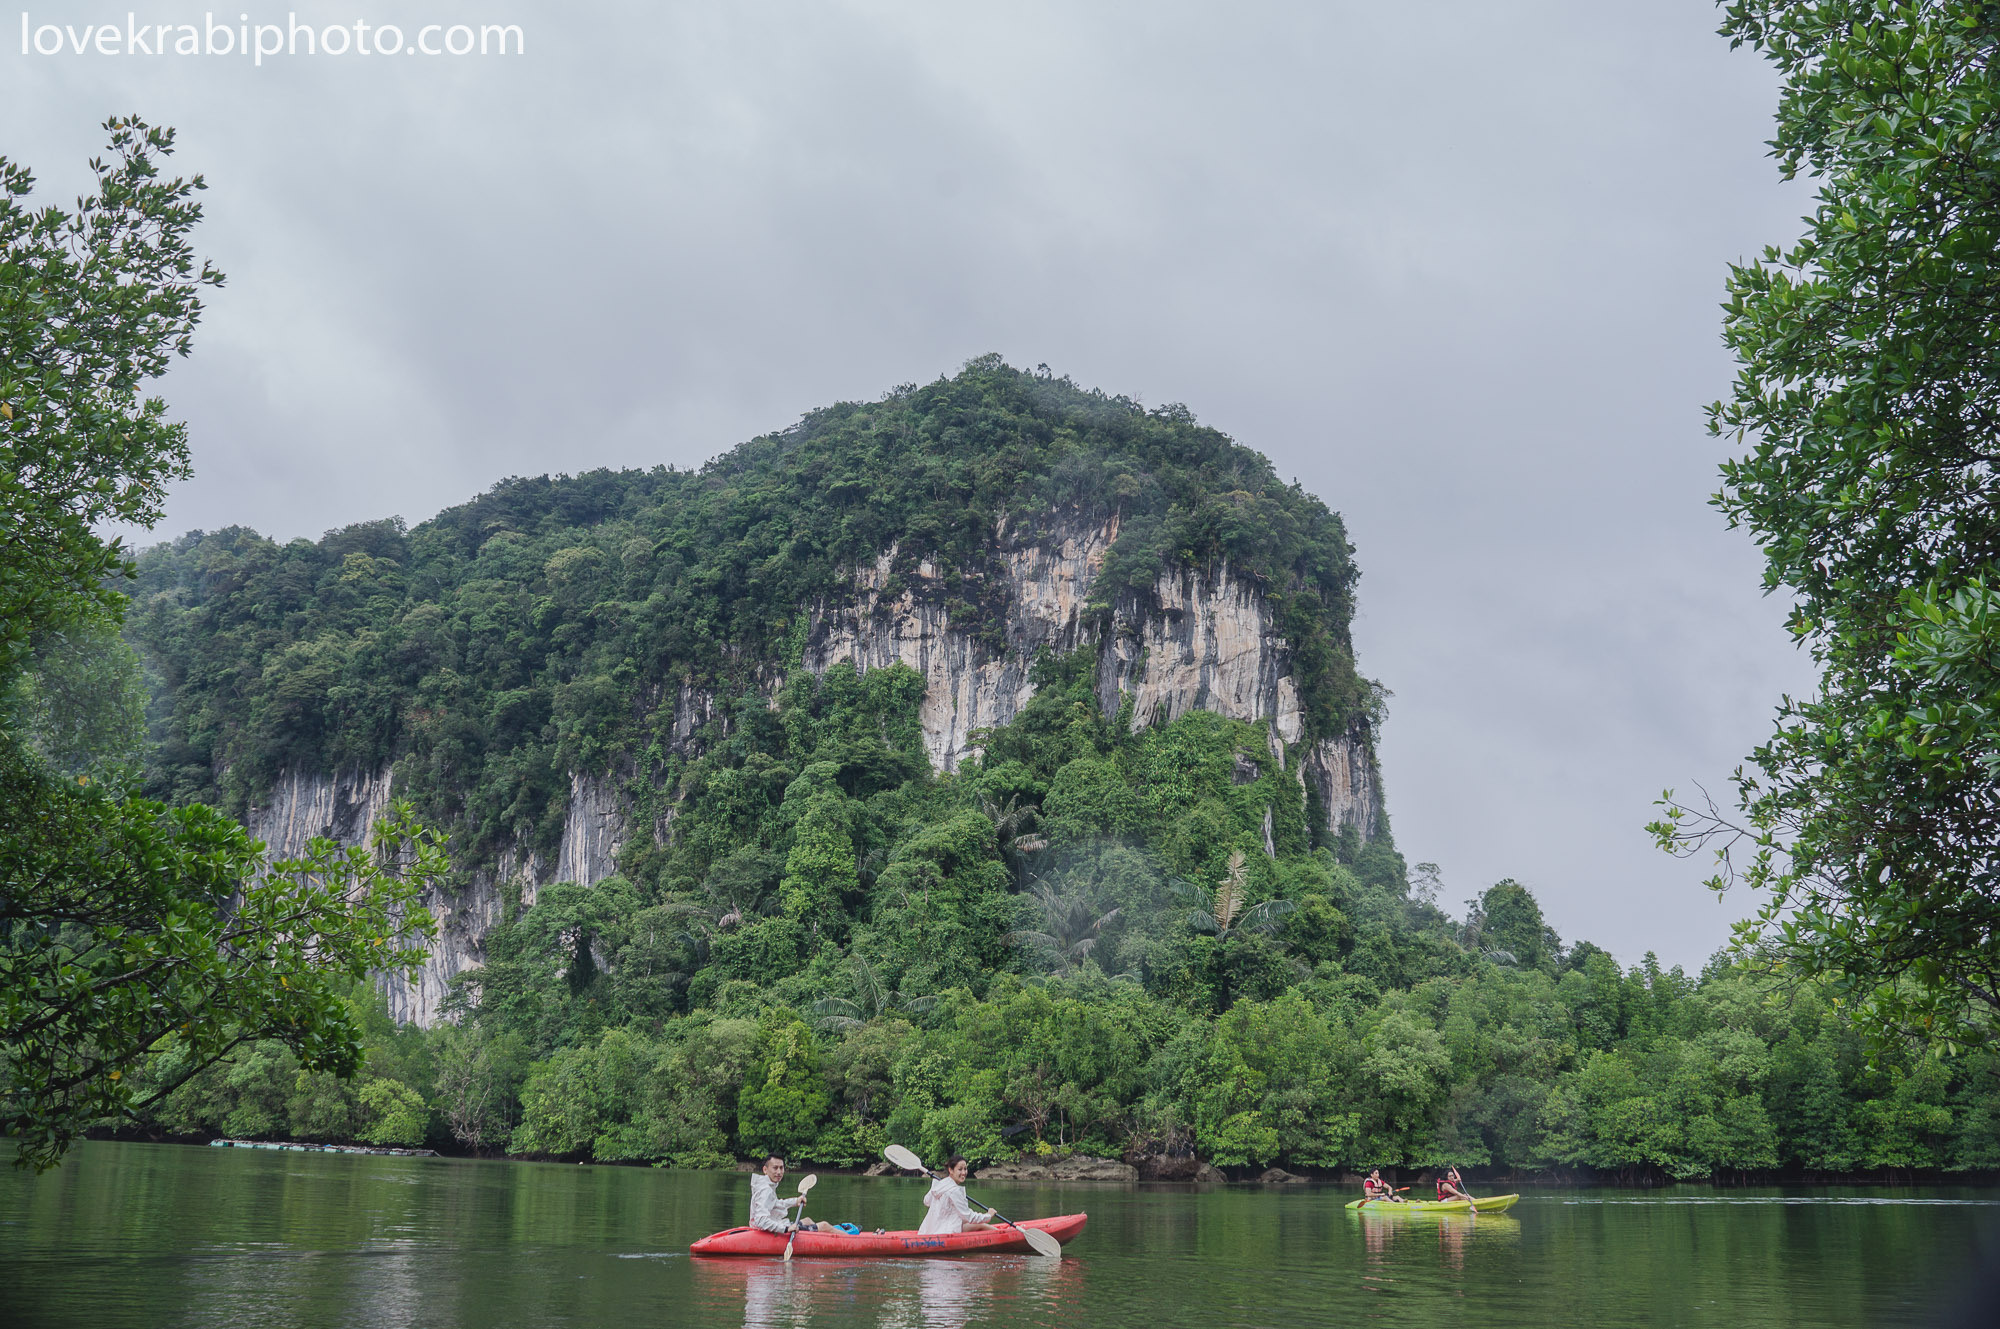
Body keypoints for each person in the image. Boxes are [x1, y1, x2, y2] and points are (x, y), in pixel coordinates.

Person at [749, 1155, 836, 1236]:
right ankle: (845, 1241)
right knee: (825, 1226)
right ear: (765, 1170)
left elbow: (775, 1204)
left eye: (781, 1168)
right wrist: (786, 1229)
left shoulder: (766, 1185)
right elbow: (761, 1220)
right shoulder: (765, 1190)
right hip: (766, 1232)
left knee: (807, 1220)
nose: (779, 1172)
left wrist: (795, 1201)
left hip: (772, 1226)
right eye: (775, 1168)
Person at [918, 1156, 999, 1235]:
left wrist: (936, 1185)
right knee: (982, 1225)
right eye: (960, 1169)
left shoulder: (940, 1184)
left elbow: (926, 1201)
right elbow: (969, 1216)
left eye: (965, 1169)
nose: (963, 1173)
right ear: (951, 1170)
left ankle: (1001, 1233)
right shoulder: (955, 1191)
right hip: (947, 1232)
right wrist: (988, 1215)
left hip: (930, 1230)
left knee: (970, 1223)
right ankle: (1002, 1235)